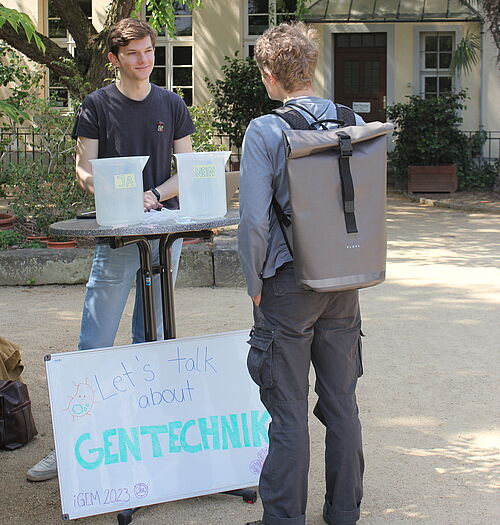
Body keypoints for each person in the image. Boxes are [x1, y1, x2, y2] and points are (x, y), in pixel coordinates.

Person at [27, 18, 195, 482]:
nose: (144, 61)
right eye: (134, 54)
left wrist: (155, 195)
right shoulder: (96, 105)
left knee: (153, 337)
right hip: (116, 235)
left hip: (163, 233)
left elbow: (189, 168)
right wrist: (113, 194)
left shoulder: (172, 103)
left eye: (149, 52)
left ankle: (148, 442)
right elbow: (84, 171)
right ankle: (71, 448)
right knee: (94, 343)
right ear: (114, 59)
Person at [238, 23, 365, 525]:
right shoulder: (353, 122)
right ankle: (344, 512)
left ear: (270, 75)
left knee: (287, 411)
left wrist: (254, 287)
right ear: (311, 67)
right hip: (344, 280)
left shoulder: (265, 130)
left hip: (289, 285)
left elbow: (252, 222)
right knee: (341, 403)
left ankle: (285, 517)